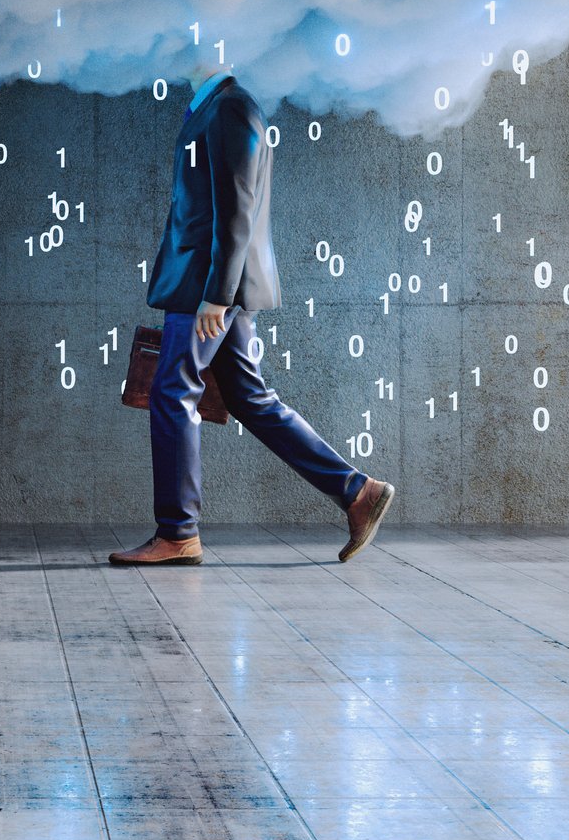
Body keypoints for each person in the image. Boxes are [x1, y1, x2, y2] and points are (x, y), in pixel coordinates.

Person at [109, 57, 396, 567]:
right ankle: (358, 492)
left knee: (172, 392)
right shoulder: (214, 108)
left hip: (207, 290)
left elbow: (236, 208)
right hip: (213, 287)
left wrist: (217, 295)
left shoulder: (231, 108)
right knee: (250, 398)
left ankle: (177, 533)